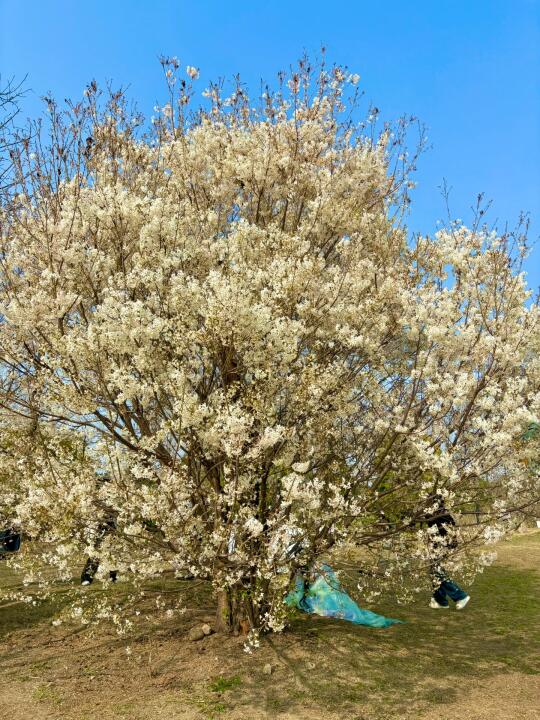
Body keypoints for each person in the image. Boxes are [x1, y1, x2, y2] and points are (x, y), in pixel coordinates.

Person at [425, 497, 470, 610]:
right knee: (435, 572)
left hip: (440, 547)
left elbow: (446, 531)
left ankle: (460, 596)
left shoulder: (439, 514)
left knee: (437, 572)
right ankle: (440, 601)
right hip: (439, 546)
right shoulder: (443, 513)